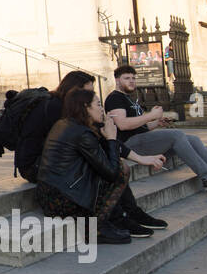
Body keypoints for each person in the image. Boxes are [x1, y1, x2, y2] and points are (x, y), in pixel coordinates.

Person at [104, 65, 207, 192]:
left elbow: (140, 127)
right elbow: (122, 124)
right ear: (117, 80)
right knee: (176, 135)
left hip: (141, 140)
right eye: (127, 78)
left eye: (133, 78)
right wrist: (151, 115)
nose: (131, 81)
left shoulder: (129, 99)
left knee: (193, 139)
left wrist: (157, 122)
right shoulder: (114, 98)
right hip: (128, 145)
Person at [36, 90, 134, 245]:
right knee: (123, 169)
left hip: (50, 195)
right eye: (98, 105)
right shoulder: (82, 133)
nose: (102, 109)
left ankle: (104, 222)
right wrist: (111, 139)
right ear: (85, 107)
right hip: (63, 201)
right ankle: (96, 227)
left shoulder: (65, 124)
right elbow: (112, 173)